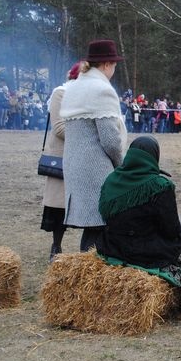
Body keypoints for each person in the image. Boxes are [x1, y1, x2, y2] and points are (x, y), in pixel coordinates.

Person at [96, 136, 181, 294]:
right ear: (154, 156)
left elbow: (105, 216)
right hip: (146, 253)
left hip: (113, 247)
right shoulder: (160, 186)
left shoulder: (111, 180)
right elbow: (172, 231)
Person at [59, 39, 127, 252]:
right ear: (106, 64)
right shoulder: (101, 89)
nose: (114, 69)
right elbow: (110, 140)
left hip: (74, 166)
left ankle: (85, 275)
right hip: (96, 171)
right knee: (100, 229)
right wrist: (121, 166)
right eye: (114, 65)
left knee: (92, 229)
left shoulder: (73, 86)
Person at [40, 62, 80, 262]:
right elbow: (59, 128)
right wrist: (87, 135)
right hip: (62, 157)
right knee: (59, 206)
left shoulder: (87, 98)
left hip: (81, 158)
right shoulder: (60, 93)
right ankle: (56, 246)